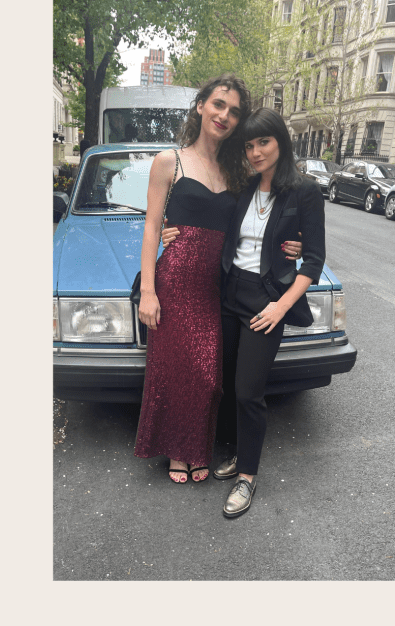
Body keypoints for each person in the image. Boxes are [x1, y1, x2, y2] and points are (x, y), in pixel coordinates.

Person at [133, 74, 253, 485]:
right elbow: (151, 228)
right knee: (171, 369)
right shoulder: (170, 160)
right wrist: (148, 290)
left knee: (206, 374)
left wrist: (295, 241)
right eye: (218, 104)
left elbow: (266, 212)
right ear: (201, 105)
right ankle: (178, 453)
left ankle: (196, 446)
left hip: (215, 286)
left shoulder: (237, 169)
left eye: (234, 111)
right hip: (176, 278)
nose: (224, 115)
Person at [212, 108, 325, 518]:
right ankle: (239, 455)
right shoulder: (242, 186)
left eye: (264, 142)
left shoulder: (304, 192)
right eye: (249, 145)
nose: (256, 152)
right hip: (229, 294)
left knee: (248, 390)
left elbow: (313, 261)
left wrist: (280, 306)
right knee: (226, 384)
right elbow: (213, 224)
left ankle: (247, 476)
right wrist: (173, 228)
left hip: (266, 301)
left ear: (281, 141)